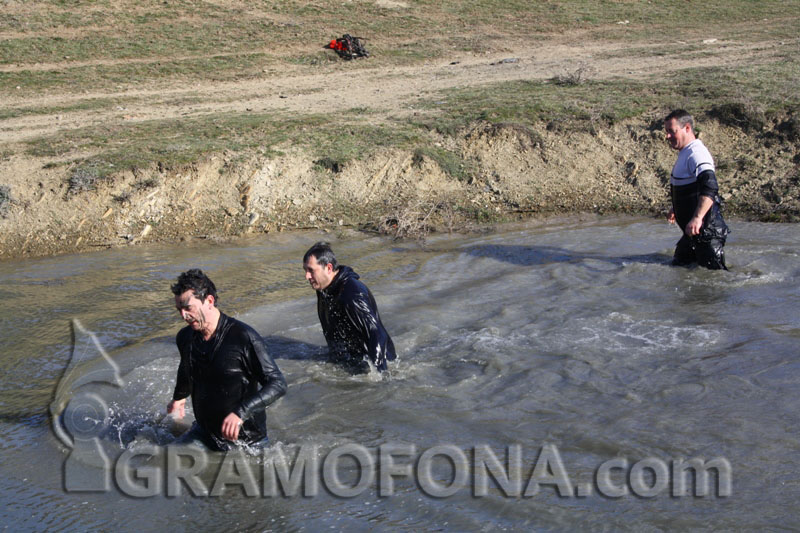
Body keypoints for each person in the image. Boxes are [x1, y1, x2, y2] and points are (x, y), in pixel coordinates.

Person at [167, 269, 286, 451]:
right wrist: (179, 397)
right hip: (204, 433)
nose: (183, 316)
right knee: (166, 460)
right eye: (179, 310)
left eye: (188, 308)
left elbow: (277, 384)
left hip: (247, 442)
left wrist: (241, 412)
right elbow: (186, 367)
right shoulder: (185, 337)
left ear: (209, 301)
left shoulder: (244, 337)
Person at [303, 242, 396, 373]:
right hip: (350, 360)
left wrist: (379, 375)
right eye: (305, 270)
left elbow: (378, 334)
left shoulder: (352, 295)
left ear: (328, 268)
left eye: (311, 270)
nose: (307, 276)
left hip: (378, 363)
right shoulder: (324, 288)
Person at [664, 109, 729, 269]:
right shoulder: (685, 152)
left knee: (715, 279)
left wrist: (698, 218)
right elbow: (692, 187)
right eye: (666, 132)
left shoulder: (696, 153)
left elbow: (710, 187)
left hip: (707, 233)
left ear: (687, 128)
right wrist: (676, 208)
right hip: (693, 234)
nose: (667, 136)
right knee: (678, 266)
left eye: (672, 132)